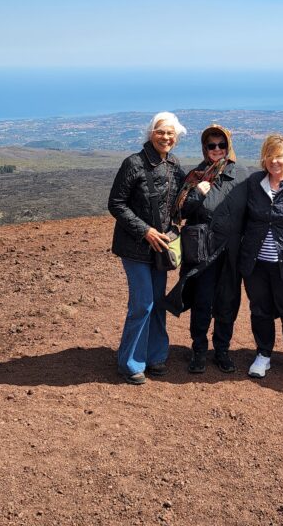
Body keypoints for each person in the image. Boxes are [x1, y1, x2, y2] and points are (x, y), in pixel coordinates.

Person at [215, 133, 283, 385]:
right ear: (263, 159)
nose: (275, 161)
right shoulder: (255, 183)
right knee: (260, 310)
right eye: (270, 156)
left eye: (280, 156)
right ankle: (263, 354)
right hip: (256, 263)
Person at [107, 112, 187, 385]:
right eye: (161, 132)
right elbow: (116, 204)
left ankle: (156, 357)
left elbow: (180, 201)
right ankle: (130, 363)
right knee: (143, 303)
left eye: (171, 133)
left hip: (160, 248)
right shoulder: (133, 163)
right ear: (151, 133)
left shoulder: (175, 165)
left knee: (157, 303)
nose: (166, 137)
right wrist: (145, 231)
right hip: (135, 247)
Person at [175, 125, 249, 374]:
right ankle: (198, 350)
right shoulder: (196, 175)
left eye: (221, 145)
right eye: (211, 145)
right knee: (202, 301)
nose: (217, 150)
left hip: (230, 250)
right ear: (204, 148)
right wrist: (196, 194)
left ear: (229, 147)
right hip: (203, 249)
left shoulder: (241, 174)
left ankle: (222, 350)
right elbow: (180, 212)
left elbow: (264, 193)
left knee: (228, 300)